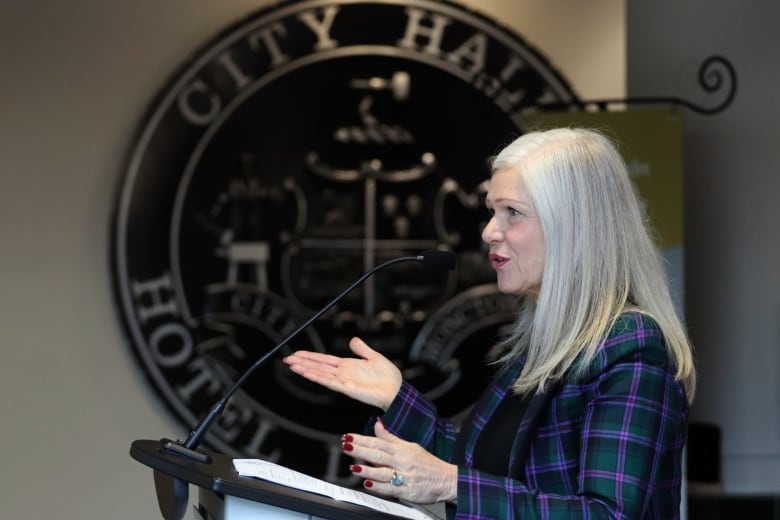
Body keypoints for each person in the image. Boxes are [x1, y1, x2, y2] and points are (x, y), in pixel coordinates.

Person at [283, 127, 696, 519]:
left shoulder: (631, 347)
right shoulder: (541, 343)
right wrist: (395, 398)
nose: (488, 232)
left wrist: (449, 484)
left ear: (573, 226)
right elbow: (478, 466)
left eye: (512, 213)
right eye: (492, 212)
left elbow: (607, 514)